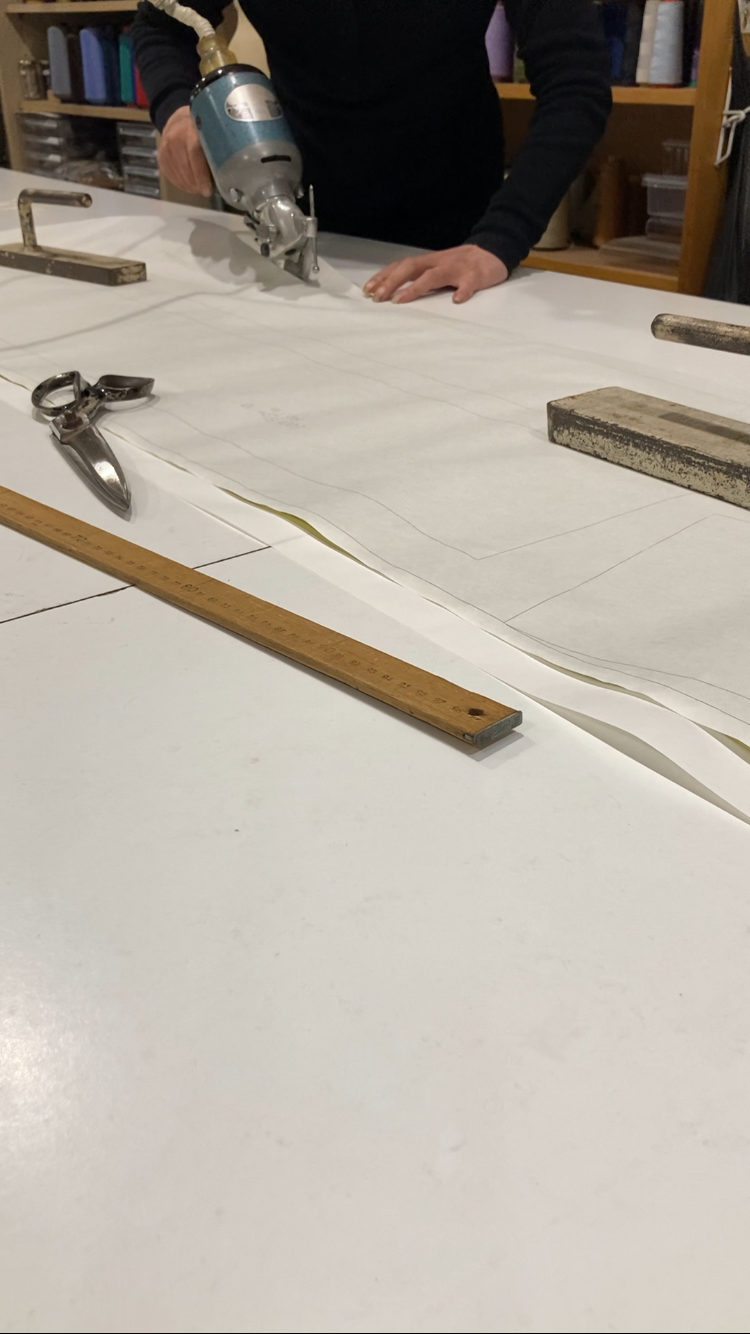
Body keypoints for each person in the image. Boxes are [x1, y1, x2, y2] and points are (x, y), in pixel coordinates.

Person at [133, 1, 611, 305]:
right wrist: (177, 107)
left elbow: (576, 84)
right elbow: (160, 22)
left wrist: (500, 240)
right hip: (299, 226)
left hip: (458, 235)